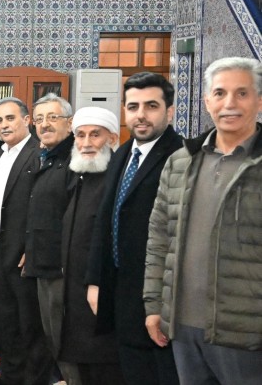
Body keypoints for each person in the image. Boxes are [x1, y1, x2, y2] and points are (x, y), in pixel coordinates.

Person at [144, 57, 262, 384]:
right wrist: (154, 306)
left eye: (242, 93)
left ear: (259, 100)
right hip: (183, 329)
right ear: (207, 100)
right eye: (220, 93)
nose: (229, 103)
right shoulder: (181, 161)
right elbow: (159, 240)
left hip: (246, 333)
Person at [85, 72, 183, 385]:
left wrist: (163, 302)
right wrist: (95, 280)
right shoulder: (124, 154)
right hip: (120, 290)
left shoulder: (182, 157)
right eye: (133, 106)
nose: (141, 114)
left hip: (159, 295)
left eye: (151, 106)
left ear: (169, 111)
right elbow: (105, 219)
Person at [0, 98, 50, 385]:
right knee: (5, 319)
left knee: (30, 322)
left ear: (27, 120)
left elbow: (44, 207)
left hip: (24, 252)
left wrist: (33, 246)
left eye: (10, 118)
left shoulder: (39, 153)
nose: (3, 125)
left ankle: (33, 380)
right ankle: (12, 377)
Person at [59, 107, 125, 384]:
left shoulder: (118, 180)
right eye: (80, 135)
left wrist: (99, 283)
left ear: (112, 139)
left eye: (95, 135)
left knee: (105, 368)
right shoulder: (80, 176)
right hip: (75, 292)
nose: (86, 143)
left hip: (103, 291)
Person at [22, 94, 76, 381]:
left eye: (53, 117)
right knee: (52, 337)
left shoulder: (75, 159)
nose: (45, 124)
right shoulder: (46, 158)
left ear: (70, 122)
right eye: (40, 119)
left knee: (65, 339)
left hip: (62, 268)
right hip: (42, 262)